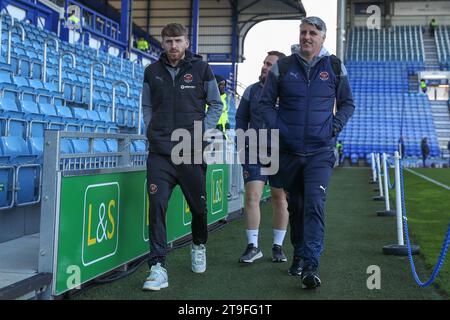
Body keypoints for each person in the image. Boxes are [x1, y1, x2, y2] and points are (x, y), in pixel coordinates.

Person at [259, 16, 355, 289]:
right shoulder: (284, 66)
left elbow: (347, 104)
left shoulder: (335, 66)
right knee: (297, 206)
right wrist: (280, 127)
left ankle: (311, 265)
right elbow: (265, 105)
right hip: (288, 151)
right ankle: (299, 253)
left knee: (314, 204)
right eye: (303, 32)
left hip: (320, 151)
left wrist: (333, 128)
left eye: (312, 33)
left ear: (323, 37)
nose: (306, 37)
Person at [141, 23, 222, 291]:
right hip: (160, 154)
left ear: (187, 42)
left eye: (178, 40)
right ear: (162, 43)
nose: (173, 46)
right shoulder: (151, 72)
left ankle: (198, 245)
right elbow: (147, 106)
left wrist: (200, 134)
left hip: (191, 152)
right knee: (157, 207)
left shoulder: (201, 69)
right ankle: (157, 266)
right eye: (168, 41)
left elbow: (217, 105)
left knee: (198, 208)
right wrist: (151, 130)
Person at [235, 50, 289, 264]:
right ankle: (253, 247)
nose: (265, 67)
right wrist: (241, 147)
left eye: (270, 65)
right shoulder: (251, 90)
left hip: (280, 153)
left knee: (280, 199)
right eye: (264, 63)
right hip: (253, 151)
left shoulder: (287, 93)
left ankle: (278, 246)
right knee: (252, 197)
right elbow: (240, 119)